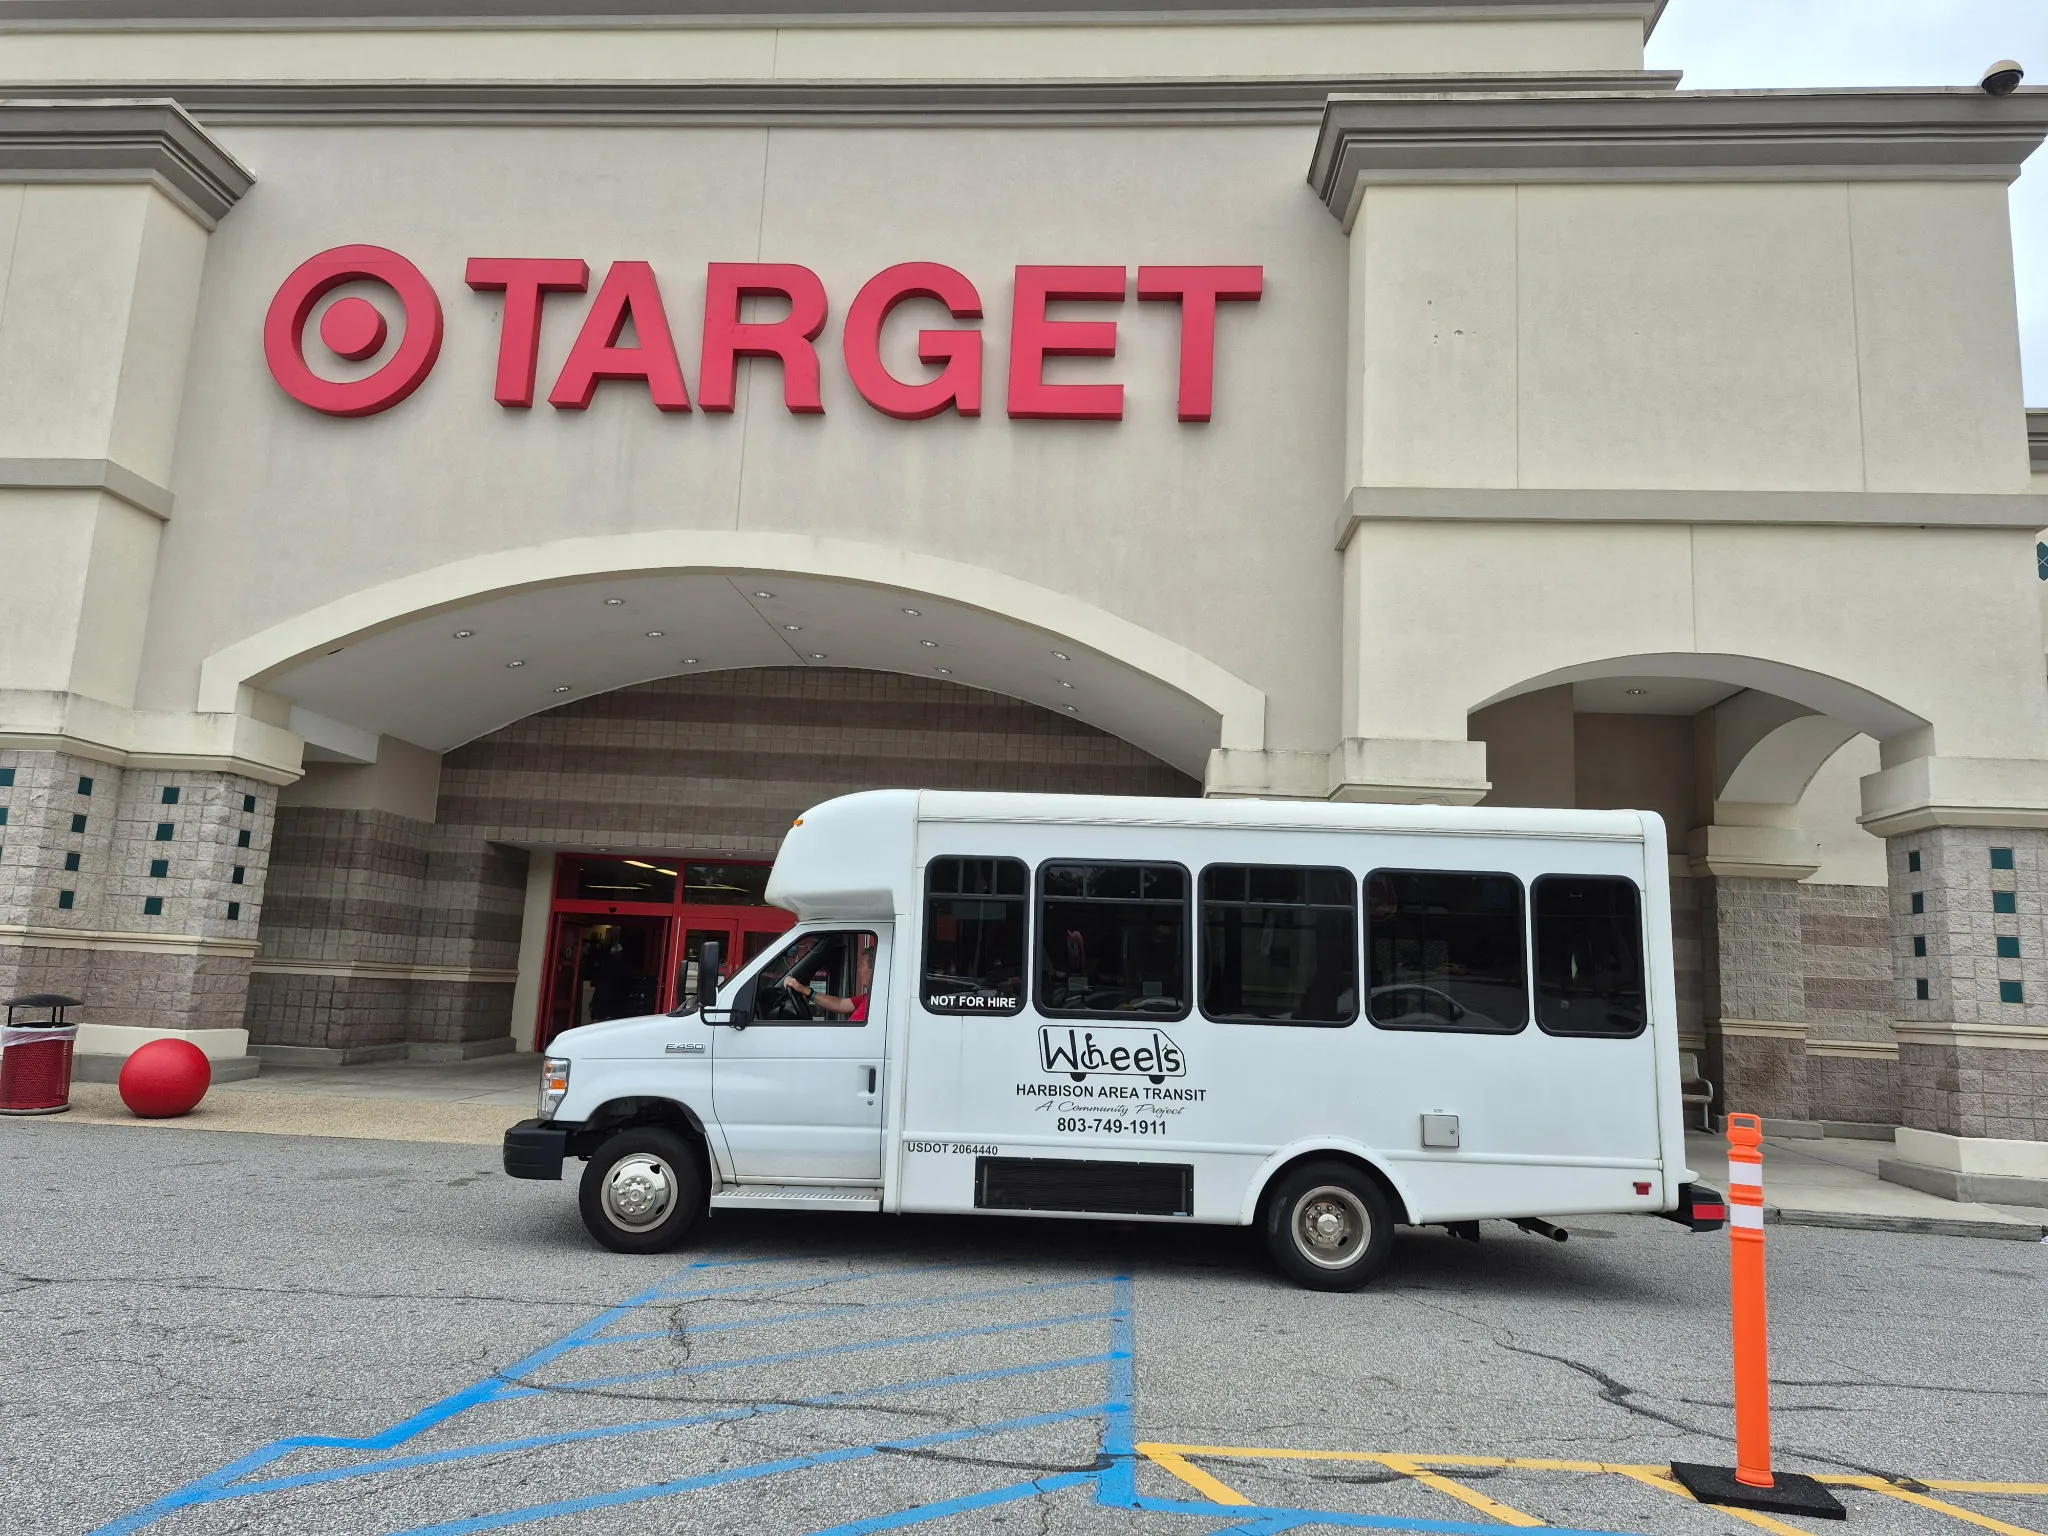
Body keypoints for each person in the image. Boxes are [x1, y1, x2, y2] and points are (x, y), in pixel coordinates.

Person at [784, 943, 873, 1021]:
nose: (859, 970)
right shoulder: (867, 998)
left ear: (873, 969)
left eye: (861, 965)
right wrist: (806, 991)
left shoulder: (881, 1003)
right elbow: (841, 1004)